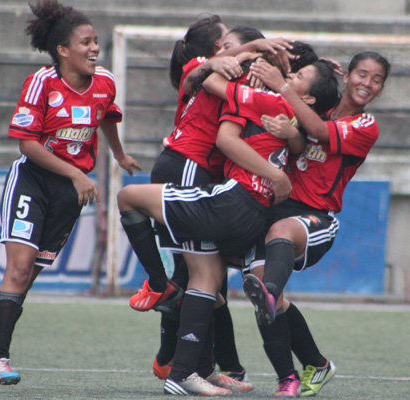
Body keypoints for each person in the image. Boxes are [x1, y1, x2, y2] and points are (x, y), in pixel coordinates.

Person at [116, 57, 338, 396]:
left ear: (307, 99)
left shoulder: (268, 99)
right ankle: (182, 374)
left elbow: (211, 87)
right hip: (251, 216)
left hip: (231, 202)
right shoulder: (289, 115)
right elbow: (296, 144)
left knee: (128, 196)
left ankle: (161, 285)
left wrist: (234, 60)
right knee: (206, 278)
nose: (288, 75)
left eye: (298, 75)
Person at [0, 0, 140, 392]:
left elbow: (107, 116)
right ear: (63, 50)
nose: (95, 48)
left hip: (69, 195)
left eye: (96, 41)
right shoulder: (42, 83)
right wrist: (78, 173)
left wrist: (119, 154)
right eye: (86, 42)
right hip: (34, 181)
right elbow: (27, 143)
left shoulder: (105, 83)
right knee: (19, 269)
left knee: (27, 280)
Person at [243, 51, 391, 397]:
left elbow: (317, 130)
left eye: (376, 79)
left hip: (316, 218)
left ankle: (269, 294)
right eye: (362, 74)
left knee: (272, 273)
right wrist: (317, 65)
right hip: (273, 211)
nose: (367, 83)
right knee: (269, 303)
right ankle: (302, 371)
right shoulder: (316, 106)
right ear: (348, 75)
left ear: (381, 90)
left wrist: (282, 86)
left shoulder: (365, 126)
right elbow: (301, 85)